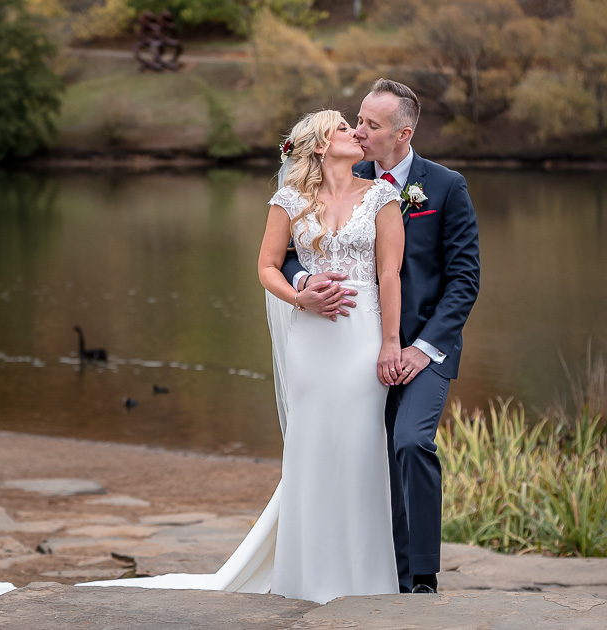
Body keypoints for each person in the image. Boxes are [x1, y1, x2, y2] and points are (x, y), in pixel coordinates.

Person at [77, 109, 406, 604]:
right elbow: (267, 266)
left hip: (363, 337)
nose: (355, 133)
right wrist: (301, 298)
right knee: (311, 450)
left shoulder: (382, 196)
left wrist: (390, 342)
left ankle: (367, 583)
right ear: (319, 145)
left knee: (362, 450)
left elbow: (390, 274)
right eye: (343, 127)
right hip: (313, 339)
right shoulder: (289, 200)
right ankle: (307, 582)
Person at [283, 79, 481, 594]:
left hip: (423, 348)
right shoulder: (346, 175)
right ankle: (381, 573)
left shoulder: (445, 187)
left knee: (411, 442)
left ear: (403, 133)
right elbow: (290, 247)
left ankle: (422, 576)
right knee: (364, 451)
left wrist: (419, 348)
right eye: (359, 120)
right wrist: (304, 283)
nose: (360, 130)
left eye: (371, 124)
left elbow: (464, 281)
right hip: (359, 345)